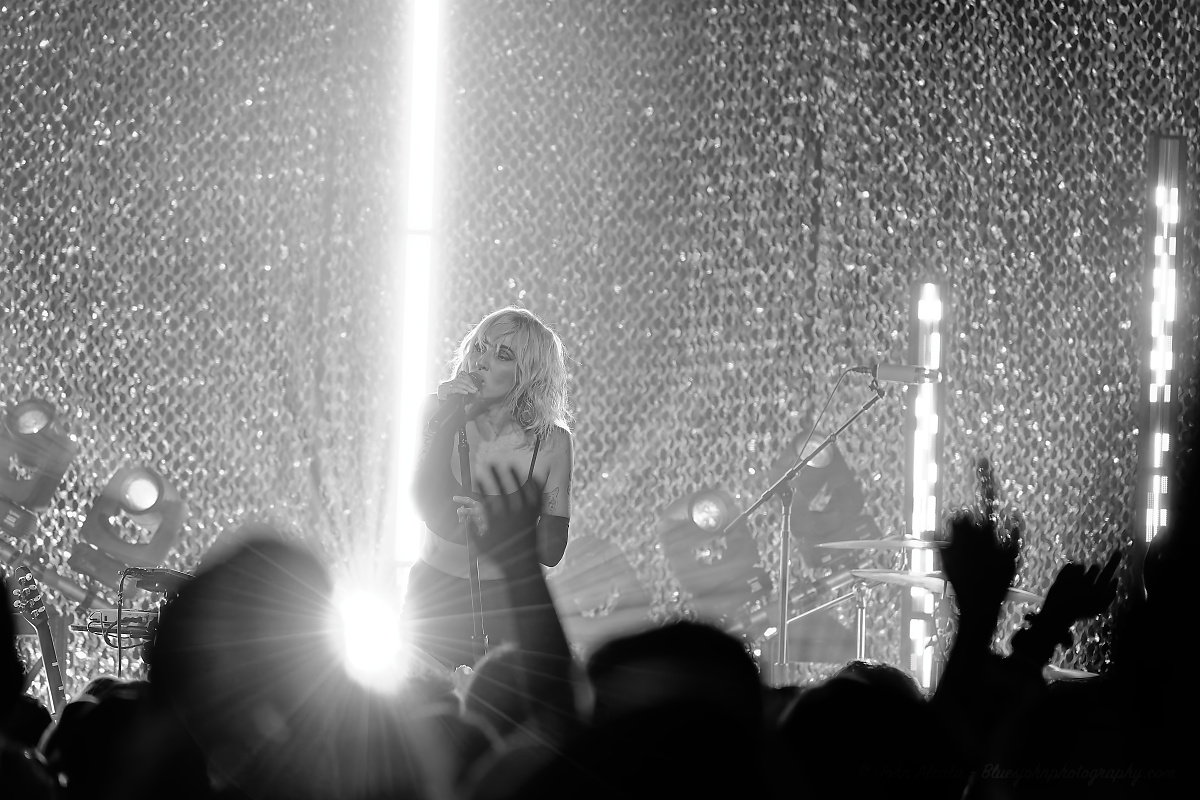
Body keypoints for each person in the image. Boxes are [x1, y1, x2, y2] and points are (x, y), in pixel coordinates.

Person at [406, 306, 574, 670]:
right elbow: (421, 499)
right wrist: (446, 418)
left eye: (503, 355)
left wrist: (500, 524)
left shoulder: (551, 442)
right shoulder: (438, 410)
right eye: (480, 347)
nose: (482, 361)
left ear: (527, 374)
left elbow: (552, 549)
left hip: (506, 607)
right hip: (431, 602)